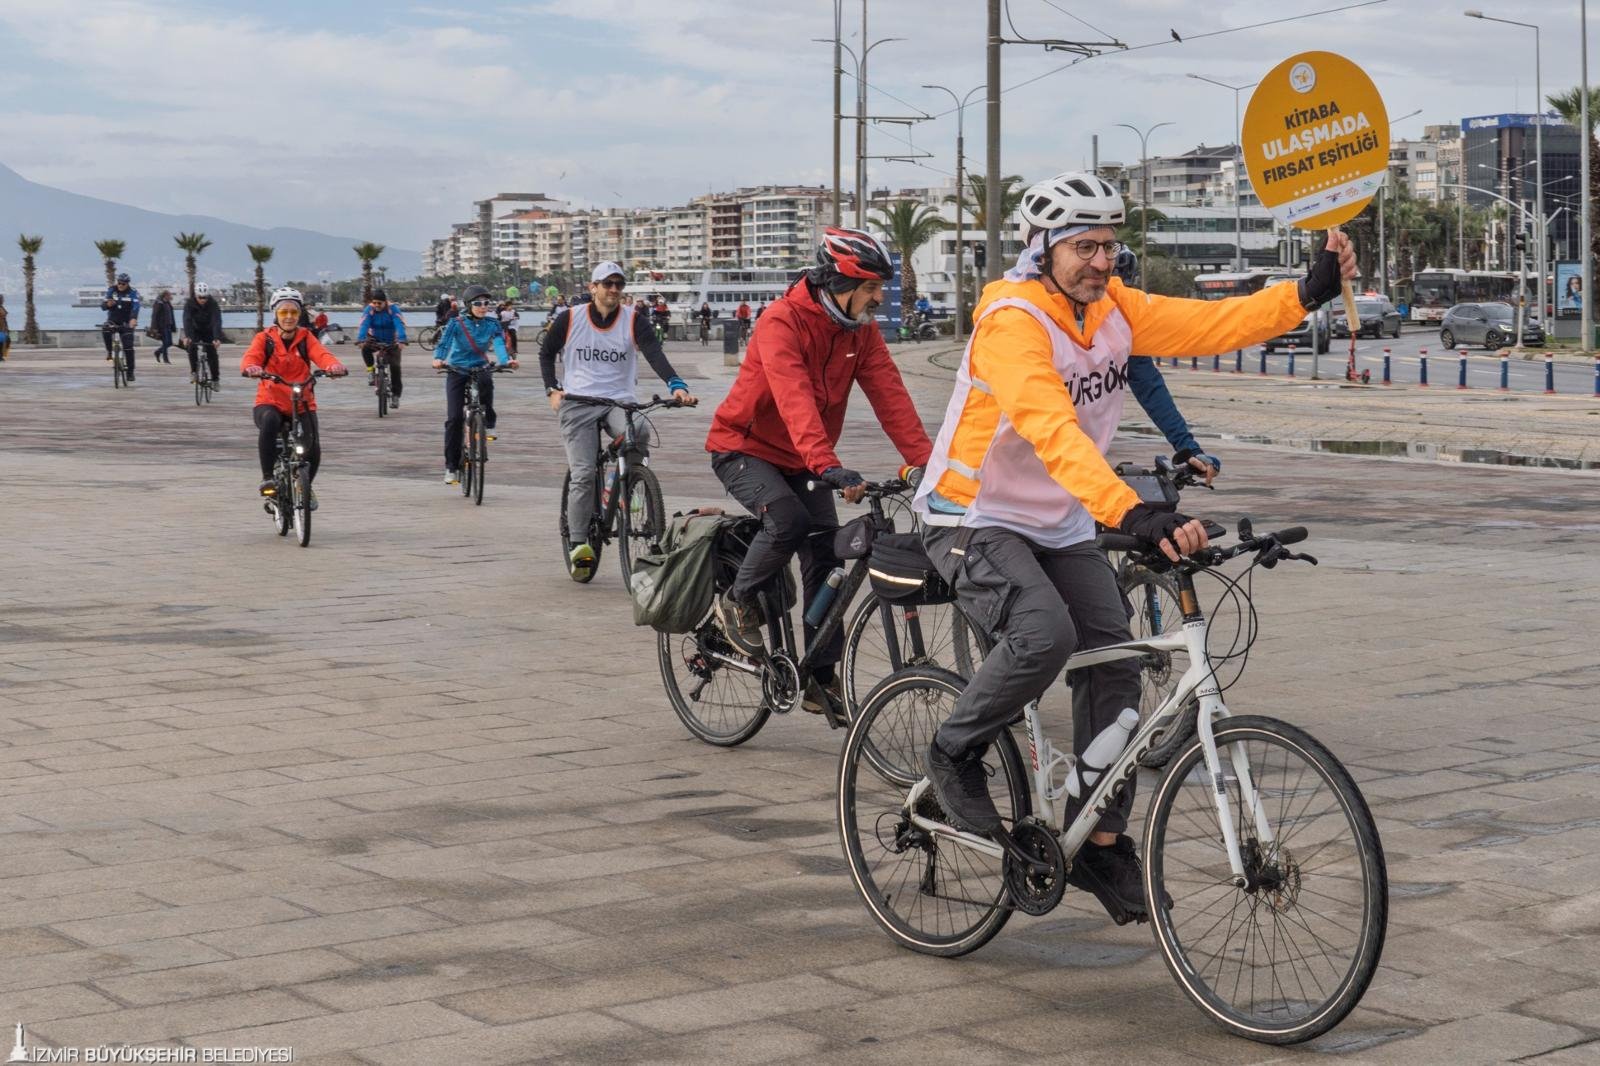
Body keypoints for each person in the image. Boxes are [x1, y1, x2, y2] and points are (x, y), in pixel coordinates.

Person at [912, 171, 1356, 923]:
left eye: (1110, 245)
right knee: (1043, 634)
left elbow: (1211, 324)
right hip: (972, 517)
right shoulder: (1011, 321)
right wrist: (1134, 512)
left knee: (1119, 663)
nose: (1100, 260)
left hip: (1059, 520)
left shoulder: (1113, 308)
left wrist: (1305, 292)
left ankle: (1100, 837)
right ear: (1043, 249)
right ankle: (954, 750)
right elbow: (1050, 428)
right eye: (1083, 246)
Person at [705, 227, 932, 716]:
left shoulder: (861, 332)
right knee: (788, 521)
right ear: (839, 283)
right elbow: (794, 398)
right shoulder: (781, 322)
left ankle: (818, 679)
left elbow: (891, 396)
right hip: (744, 446)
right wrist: (826, 464)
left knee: (826, 555)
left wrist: (927, 466)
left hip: (804, 458)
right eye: (870, 288)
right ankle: (737, 601)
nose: (878, 298)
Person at [541, 261, 696, 581]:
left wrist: (676, 385)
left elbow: (654, 353)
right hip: (578, 403)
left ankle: (628, 488)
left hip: (618, 401)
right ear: (592, 287)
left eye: (618, 285)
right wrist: (552, 390)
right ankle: (579, 542)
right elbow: (546, 352)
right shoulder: (570, 318)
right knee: (583, 473)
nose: (613, 290)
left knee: (638, 428)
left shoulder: (634, 320)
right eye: (607, 283)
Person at [240, 287, 349, 508]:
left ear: (299, 315)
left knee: (313, 445)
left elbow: (322, 354)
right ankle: (268, 477)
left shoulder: (305, 337)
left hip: (301, 402)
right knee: (270, 422)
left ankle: (305, 487)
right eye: (283, 312)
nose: (289, 317)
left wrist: (333, 366)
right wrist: (251, 368)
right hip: (270, 400)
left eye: (293, 312)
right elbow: (252, 356)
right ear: (275, 315)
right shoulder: (265, 338)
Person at [432, 284, 518, 486]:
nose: (483, 306)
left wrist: (506, 360)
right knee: (454, 419)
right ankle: (451, 467)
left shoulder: (492, 323)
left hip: (480, 366)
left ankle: (489, 423)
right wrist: (438, 358)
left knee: (487, 381)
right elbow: (444, 343)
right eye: (478, 303)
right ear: (469, 305)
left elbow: (498, 343)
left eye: (486, 303)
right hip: (456, 369)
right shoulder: (456, 323)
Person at [357, 288, 408, 407]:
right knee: (365, 348)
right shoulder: (369, 310)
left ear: (385, 302)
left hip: (392, 340)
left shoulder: (393, 309)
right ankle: (370, 370)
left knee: (395, 367)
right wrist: (361, 338)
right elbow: (364, 324)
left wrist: (402, 339)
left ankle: (395, 396)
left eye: (379, 303)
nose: (376, 305)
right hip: (375, 338)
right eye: (374, 303)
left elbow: (399, 324)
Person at [183, 282, 224, 388]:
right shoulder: (189, 304)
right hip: (195, 330)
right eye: (200, 297)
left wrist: (216, 338)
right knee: (191, 347)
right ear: (196, 295)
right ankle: (193, 372)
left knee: (212, 353)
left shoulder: (212, 304)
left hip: (208, 330)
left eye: (205, 297)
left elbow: (216, 321)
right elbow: (187, 320)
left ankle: (215, 379)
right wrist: (187, 336)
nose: (203, 300)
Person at [102, 272, 141, 381]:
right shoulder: (112, 290)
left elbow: (136, 306)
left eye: (123, 284)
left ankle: (130, 372)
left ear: (127, 284)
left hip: (126, 322)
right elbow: (103, 305)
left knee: (128, 347)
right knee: (105, 329)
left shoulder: (133, 293)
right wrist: (107, 305)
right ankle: (109, 351)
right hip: (113, 320)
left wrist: (133, 319)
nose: (120, 285)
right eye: (119, 283)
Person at [149, 291, 176, 364]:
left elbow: (171, 315)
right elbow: (154, 316)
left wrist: (173, 326)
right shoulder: (159, 303)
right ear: (165, 295)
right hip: (162, 326)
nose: (170, 297)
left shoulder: (168, 303)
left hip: (168, 325)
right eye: (169, 295)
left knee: (169, 342)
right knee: (165, 342)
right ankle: (166, 359)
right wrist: (154, 327)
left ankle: (158, 352)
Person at [0, 294, 10, 362]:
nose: (3, 300)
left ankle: (1, 355)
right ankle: (1, 356)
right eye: (2, 299)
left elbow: (4, 319)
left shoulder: (1, 307)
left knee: (5, 341)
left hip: (3, 328)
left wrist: (6, 328)